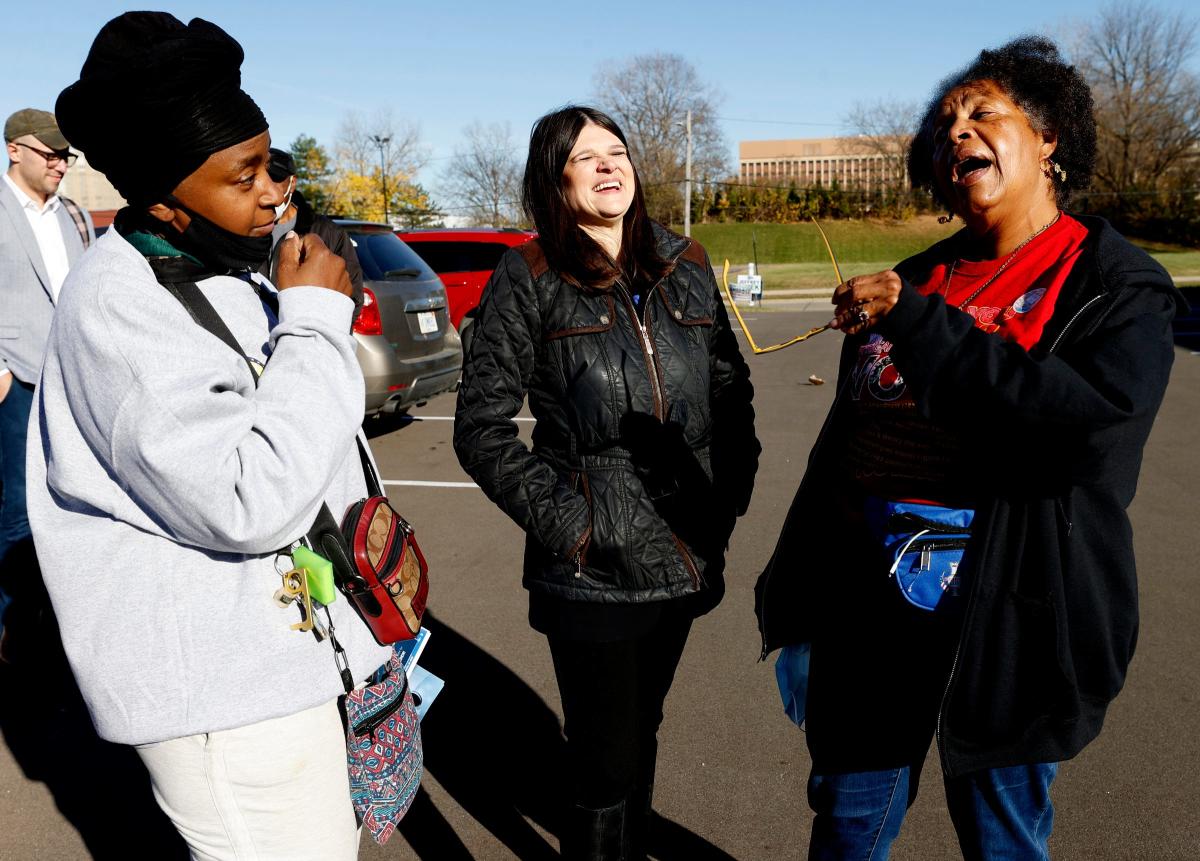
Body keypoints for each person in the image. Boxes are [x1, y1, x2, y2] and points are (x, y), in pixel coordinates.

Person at [755, 37, 1185, 860]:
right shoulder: (916, 277)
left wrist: (920, 325)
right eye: (946, 123)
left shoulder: (1113, 284)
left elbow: (1087, 430)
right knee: (846, 831)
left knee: (1002, 840)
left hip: (1010, 618)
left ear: (1050, 136)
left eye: (984, 113)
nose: (958, 132)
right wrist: (802, 588)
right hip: (869, 619)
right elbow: (847, 441)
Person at [30, 13, 394, 858]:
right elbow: (246, 500)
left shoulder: (225, 266)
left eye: (275, 165)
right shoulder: (121, 306)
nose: (273, 191)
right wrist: (313, 322)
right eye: (244, 175)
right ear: (162, 198)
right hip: (223, 698)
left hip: (281, 660)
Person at [454, 105, 759, 860]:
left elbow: (733, 392)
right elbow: (481, 429)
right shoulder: (528, 276)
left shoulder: (685, 261)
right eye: (585, 157)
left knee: (640, 731)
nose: (608, 165)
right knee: (601, 760)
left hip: (682, 545)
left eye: (616, 151)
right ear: (554, 179)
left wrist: (726, 495)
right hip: (592, 569)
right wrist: (575, 527)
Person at [0, 109, 94, 660]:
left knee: (67, 497)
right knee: (16, 504)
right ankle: (16, 628)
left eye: (65, 155)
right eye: (50, 153)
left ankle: (56, 617)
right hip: (17, 378)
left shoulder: (74, 216)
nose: (60, 163)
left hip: (68, 380)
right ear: (15, 150)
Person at [263, 147, 364, 317]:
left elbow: (351, 299)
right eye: (261, 179)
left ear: (292, 183)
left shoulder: (329, 233)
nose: (269, 190)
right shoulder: (243, 230)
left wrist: (319, 338)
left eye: (275, 179)